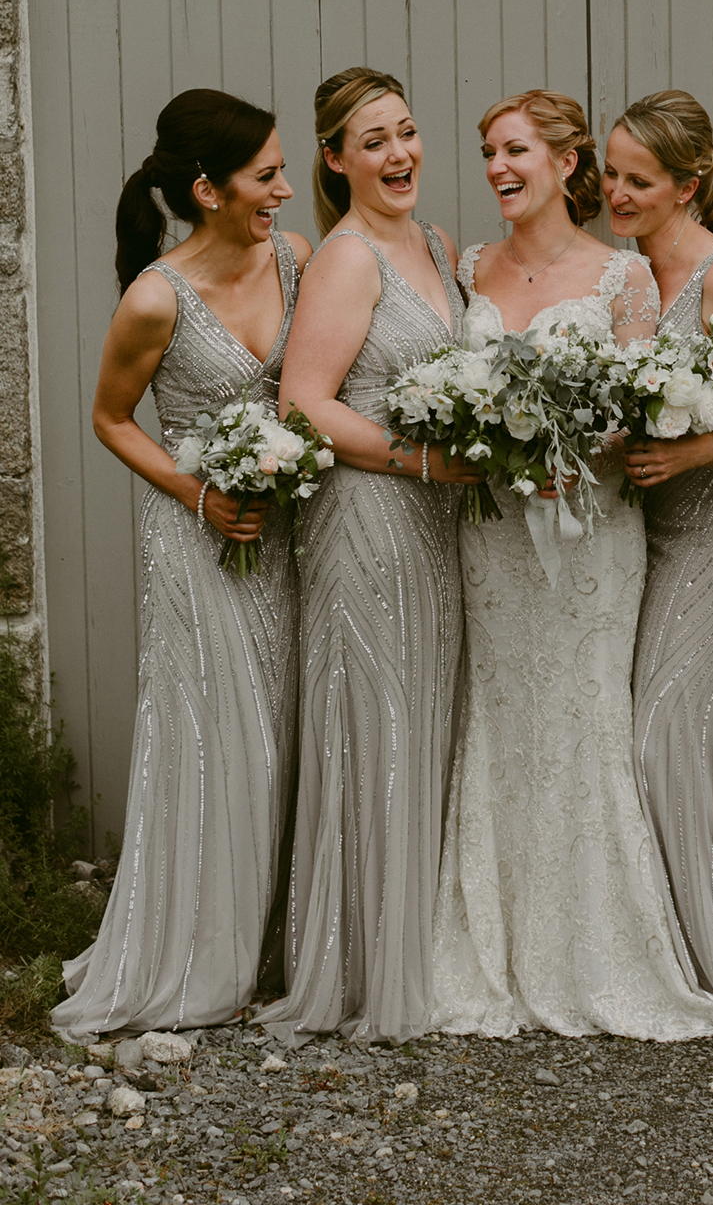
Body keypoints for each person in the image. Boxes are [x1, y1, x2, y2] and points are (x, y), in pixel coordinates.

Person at [432, 89, 713, 1040]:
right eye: (487, 151)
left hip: (592, 533)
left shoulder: (624, 276)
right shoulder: (463, 266)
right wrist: (487, 441)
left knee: (586, 714)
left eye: (516, 149)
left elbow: (640, 407)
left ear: (567, 164)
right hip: (491, 536)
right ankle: (492, 944)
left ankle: (604, 948)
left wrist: (569, 450)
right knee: (502, 711)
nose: (496, 168)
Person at [52, 91, 310, 1038]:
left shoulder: (294, 258)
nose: (284, 189)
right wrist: (200, 492)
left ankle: (278, 943)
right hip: (199, 533)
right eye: (266, 175)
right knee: (217, 732)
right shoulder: (156, 297)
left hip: (284, 529)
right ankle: (199, 949)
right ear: (206, 190)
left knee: (282, 724)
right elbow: (111, 419)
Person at [257, 68, 475, 1045]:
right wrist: (425, 460)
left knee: (422, 719)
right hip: (371, 516)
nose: (400, 156)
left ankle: (419, 950)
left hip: (434, 522)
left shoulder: (430, 243)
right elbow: (303, 403)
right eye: (375, 142)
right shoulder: (348, 258)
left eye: (409, 132)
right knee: (373, 725)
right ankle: (355, 964)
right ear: (336, 158)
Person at [604, 91, 713, 1024]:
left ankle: (709, 947)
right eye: (614, 174)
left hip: (710, 528)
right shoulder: (627, 273)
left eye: (639, 180)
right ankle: (647, 932)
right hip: (637, 533)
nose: (616, 192)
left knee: (671, 725)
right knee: (637, 722)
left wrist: (697, 449)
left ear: (689, 185)